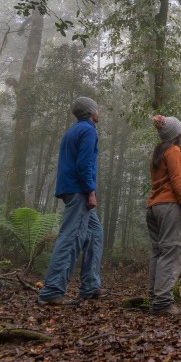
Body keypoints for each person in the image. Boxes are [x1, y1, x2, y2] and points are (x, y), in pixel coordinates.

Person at [37, 97, 105, 305]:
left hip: (72, 189)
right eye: (97, 108)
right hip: (79, 191)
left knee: (95, 234)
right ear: (92, 112)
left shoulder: (73, 131)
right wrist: (90, 190)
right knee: (71, 238)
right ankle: (52, 291)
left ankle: (90, 286)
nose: (98, 111)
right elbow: (84, 163)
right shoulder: (88, 131)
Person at [146, 114, 181, 315]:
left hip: (154, 207)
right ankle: (163, 303)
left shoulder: (159, 152)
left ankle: (155, 297)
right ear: (177, 134)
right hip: (169, 207)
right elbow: (178, 183)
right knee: (171, 252)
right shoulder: (173, 151)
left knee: (158, 253)